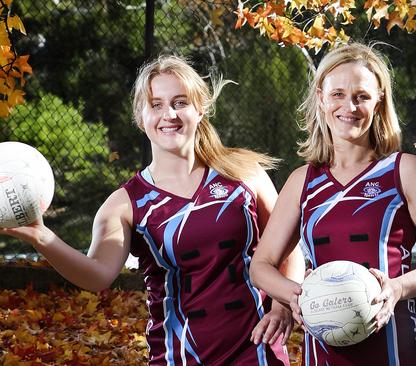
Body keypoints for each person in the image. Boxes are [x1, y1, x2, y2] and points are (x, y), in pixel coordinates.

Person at [0, 55, 304, 365]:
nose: (168, 114)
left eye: (180, 102)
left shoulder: (245, 174)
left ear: (200, 109)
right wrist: (41, 236)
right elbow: (98, 276)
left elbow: (287, 246)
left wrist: (281, 304)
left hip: (255, 350)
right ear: (141, 117)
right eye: (156, 105)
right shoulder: (124, 203)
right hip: (179, 355)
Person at [248, 43, 416, 365]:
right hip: (323, 352)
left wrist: (397, 288)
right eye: (338, 94)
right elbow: (261, 266)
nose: (349, 106)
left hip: (395, 345)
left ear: (378, 102)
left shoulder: (405, 170)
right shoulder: (301, 181)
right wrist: (296, 297)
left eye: (361, 96)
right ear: (321, 98)